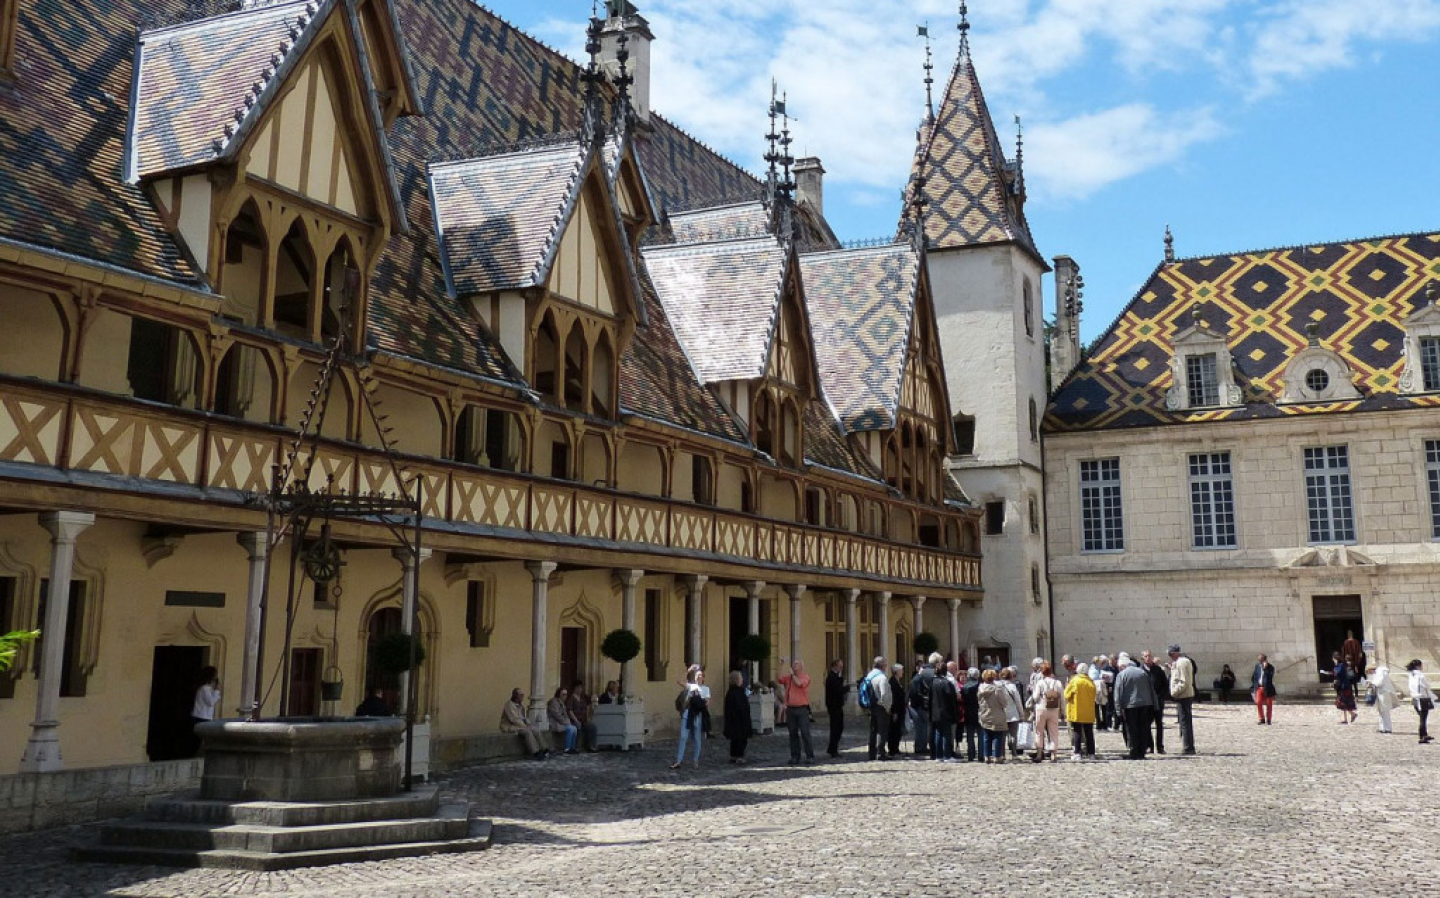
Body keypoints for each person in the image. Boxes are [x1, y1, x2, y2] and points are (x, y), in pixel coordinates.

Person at [1114, 654, 1157, 761]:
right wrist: (1155, 705)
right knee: (1143, 728)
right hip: (1145, 704)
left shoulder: (1122, 675)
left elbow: (1118, 694)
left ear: (1123, 666)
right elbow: (1152, 689)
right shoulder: (1143, 672)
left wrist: (1119, 711)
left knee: (1132, 729)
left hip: (1130, 705)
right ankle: (1141, 752)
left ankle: (1134, 751)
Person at [777, 658, 816, 765]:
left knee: (805, 733)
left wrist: (793, 676)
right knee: (793, 734)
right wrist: (780, 666)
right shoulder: (788, 678)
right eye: (793, 664)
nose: (794, 666)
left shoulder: (805, 677)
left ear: (801, 667)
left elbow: (799, 683)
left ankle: (810, 756)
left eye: (797, 664)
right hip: (791, 709)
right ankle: (795, 756)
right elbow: (779, 679)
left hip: (802, 709)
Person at [1029, 662, 1064, 763]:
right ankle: (1053, 754)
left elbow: (1035, 697)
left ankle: (1039, 753)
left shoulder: (1040, 683)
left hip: (1041, 708)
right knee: (1053, 732)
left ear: (1042, 673)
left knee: (1039, 732)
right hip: (1053, 709)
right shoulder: (1057, 683)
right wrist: (1062, 711)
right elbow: (1062, 698)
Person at [672, 665, 707, 769]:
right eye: (697, 675)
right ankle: (679, 760)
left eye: (700, 675)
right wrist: (688, 671)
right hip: (688, 715)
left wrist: (698, 699)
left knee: (697, 739)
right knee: (683, 737)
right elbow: (679, 681)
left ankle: (695, 760)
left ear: (703, 678)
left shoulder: (705, 689)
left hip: (697, 716)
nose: (698, 677)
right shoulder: (691, 686)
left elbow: (706, 703)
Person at [500, 688, 548, 759]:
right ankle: (535, 752)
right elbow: (514, 719)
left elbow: (524, 717)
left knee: (536, 729)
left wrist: (529, 724)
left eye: (523, 695)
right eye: (521, 695)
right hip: (511, 726)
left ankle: (545, 749)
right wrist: (525, 727)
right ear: (515, 696)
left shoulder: (521, 706)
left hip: (521, 725)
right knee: (527, 732)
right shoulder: (509, 705)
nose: (522, 697)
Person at [1167, 644, 1196, 755]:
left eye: (1170, 654)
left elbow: (1184, 681)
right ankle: (1188, 745)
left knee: (1184, 722)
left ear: (1174, 653)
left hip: (1183, 695)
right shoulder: (1180, 662)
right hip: (1184, 695)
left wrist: (1174, 691)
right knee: (1185, 721)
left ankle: (1188, 747)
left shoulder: (1182, 663)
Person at [929, 654, 958, 762]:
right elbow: (952, 700)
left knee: (938, 733)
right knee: (946, 734)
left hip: (935, 712)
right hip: (946, 712)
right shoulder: (947, 683)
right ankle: (947, 755)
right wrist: (955, 713)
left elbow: (930, 698)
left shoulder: (933, 682)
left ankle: (938, 755)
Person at [976, 669, 1009, 764]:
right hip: (997, 714)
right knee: (997, 735)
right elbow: (1004, 703)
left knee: (987, 736)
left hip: (984, 714)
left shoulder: (980, 688)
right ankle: (997, 756)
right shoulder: (997, 689)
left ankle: (987, 756)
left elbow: (979, 701)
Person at [1064, 662, 1096, 760]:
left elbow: (1066, 695)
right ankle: (1091, 754)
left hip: (1077, 710)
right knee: (1089, 732)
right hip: (1089, 711)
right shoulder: (1091, 682)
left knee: (1077, 731)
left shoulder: (1075, 681)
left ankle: (1077, 753)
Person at [862, 657, 892, 760]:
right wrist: (887, 707)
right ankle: (880, 752)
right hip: (881, 706)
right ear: (882, 665)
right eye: (885, 664)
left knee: (873, 729)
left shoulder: (870, 675)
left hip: (872, 705)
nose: (886, 666)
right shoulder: (882, 677)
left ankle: (872, 752)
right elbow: (884, 695)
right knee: (881, 730)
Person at [1141, 650, 1169, 753]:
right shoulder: (1141, 670)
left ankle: (1160, 746)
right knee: (1146, 724)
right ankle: (1149, 746)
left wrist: (1161, 697)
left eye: (1149, 656)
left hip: (1158, 701)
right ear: (1143, 658)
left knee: (1159, 724)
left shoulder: (1158, 670)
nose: (1148, 658)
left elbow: (1165, 685)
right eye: (1146, 656)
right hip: (1146, 703)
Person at [722, 670, 753, 763]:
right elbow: (742, 707)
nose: (742, 680)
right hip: (740, 721)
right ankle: (739, 756)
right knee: (741, 739)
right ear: (737, 680)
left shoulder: (729, 692)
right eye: (741, 678)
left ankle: (733, 755)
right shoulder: (739, 692)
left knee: (734, 740)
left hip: (732, 720)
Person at [909, 656, 936, 758]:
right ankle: (920, 747)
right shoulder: (917, 679)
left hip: (919, 706)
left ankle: (922, 746)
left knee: (923, 727)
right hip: (919, 706)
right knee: (921, 728)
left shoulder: (918, 679)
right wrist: (923, 700)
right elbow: (915, 693)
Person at [1000, 666, 1026, 757]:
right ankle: (1014, 754)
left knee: (1002, 735)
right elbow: (1018, 701)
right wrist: (1022, 714)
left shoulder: (998, 686)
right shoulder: (1012, 687)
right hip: (1013, 714)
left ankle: (1002, 754)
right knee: (1013, 735)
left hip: (1002, 713)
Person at [1407, 659, 1434, 744]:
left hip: (1415, 698)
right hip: (1422, 699)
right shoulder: (1421, 676)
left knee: (1422, 717)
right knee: (1423, 719)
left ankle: (1425, 734)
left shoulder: (1411, 675)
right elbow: (1427, 686)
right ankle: (1422, 736)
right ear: (1418, 666)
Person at [824, 658, 847, 758]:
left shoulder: (835, 676)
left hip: (837, 705)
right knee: (836, 728)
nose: (841, 668)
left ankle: (833, 748)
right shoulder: (832, 677)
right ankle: (833, 749)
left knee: (839, 727)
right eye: (840, 666)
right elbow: (838, 690)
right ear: (835, 666)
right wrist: (847, 687)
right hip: (834, 706)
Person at [567, 680, 598, 752]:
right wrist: (576, 720)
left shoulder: (584, 697)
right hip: (574, 719)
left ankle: (591, 746)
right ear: (574, 688)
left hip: (584, 719)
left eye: (581, 687)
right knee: (578, 726)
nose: (580, 689)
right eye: (578, 687)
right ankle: (576, 747)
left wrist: (594, 697)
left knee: (592, 727)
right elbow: (569, 710)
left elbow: (592, 699)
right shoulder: (571, 698)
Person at [547, 687, 579, 754]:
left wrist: (568, 722)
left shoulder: (562, 703)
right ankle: (567, 749)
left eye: (566, 694)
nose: (565, 696)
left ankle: (572, 748)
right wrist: (567, 723)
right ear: (559, 694)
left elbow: (565, 715)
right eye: (563, 694)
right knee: (570, 728)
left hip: (561, 723)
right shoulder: (553, 702)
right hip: (555, 723)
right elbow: (557, 715)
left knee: (574, 728)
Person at [1368, 664, 1398, 734]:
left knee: (1385, 711)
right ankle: (1382, 727)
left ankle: (1388, 728)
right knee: (1381, 711)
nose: (1371, 673)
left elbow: (1380, 682)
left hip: (1384, 693)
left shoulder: (1381, 672)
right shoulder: (1377, 673)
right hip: (1380, 693)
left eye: (1370, 671)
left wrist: (1372, 683)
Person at [960, 667, 982, 762]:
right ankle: (981, 754)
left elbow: (963, 700)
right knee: (981, 734)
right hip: (979, 711)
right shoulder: (980, 686)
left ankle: (971, 754)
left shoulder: (964, 687)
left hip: (968, 712)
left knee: (970, 735)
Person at [886, 663, 908, 757]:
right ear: (896, 672)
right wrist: (894, 712)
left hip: (900, 710)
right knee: (894, 730)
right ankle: (892, 749)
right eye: (901, 670)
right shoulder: (892, 682)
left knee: (898, 730)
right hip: (896, 710)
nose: (902, 672)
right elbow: (894, 698)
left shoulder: (898, 681)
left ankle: (896, 748)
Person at [1333, 651, 1358, 724]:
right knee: (1342, 703)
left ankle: (1352, 715)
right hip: (1342, 686)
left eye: (1333, 659)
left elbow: (1338, 673)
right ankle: (1347, 718)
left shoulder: (1341, 665)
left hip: (1345, 687)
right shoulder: (1340, 665)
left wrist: (1335, 668)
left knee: (1345, 702)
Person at [1251, 654, 1276, 724]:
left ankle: (1269, 719)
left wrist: (1265, 669)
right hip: (1259, 687)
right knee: (1258, 702)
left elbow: (1270, 677)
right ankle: (1261, 719)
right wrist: (1254, 686)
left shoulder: (1271, 667)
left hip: (1268, 688)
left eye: (1261, 660)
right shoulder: (1257, 666)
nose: (1260, 662)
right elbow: (1254, 676)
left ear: (1265, 660)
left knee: (1269, 704)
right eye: (1259, 660)